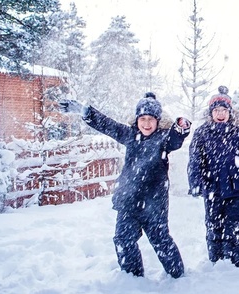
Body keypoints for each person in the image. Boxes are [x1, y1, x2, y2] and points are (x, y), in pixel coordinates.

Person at [59, 93, 191, 279]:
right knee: (123, 239)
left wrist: (180, 128)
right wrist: (84, 111)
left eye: (151, 119)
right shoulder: (130, 135)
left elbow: (175, 140)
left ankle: (178, 275)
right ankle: (132, 278)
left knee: (160, 240)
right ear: (137, 119)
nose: (146, 123)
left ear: (158, 121)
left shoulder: (162, 139)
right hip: (128, 200)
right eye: (142, 119)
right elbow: (107, 124)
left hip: (154, 204)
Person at [187, 86, 239, 267]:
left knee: (234, 226)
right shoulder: (202, 133)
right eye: (217, 110)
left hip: (235, 189)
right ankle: (216, 260)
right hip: (212, 189)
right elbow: (195, 161)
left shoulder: (238, 133)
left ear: (230, 112)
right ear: (211, 112)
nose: (220, 114)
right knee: (214, 226)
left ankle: (234, 262)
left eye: (224, 110)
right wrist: (195, 184)